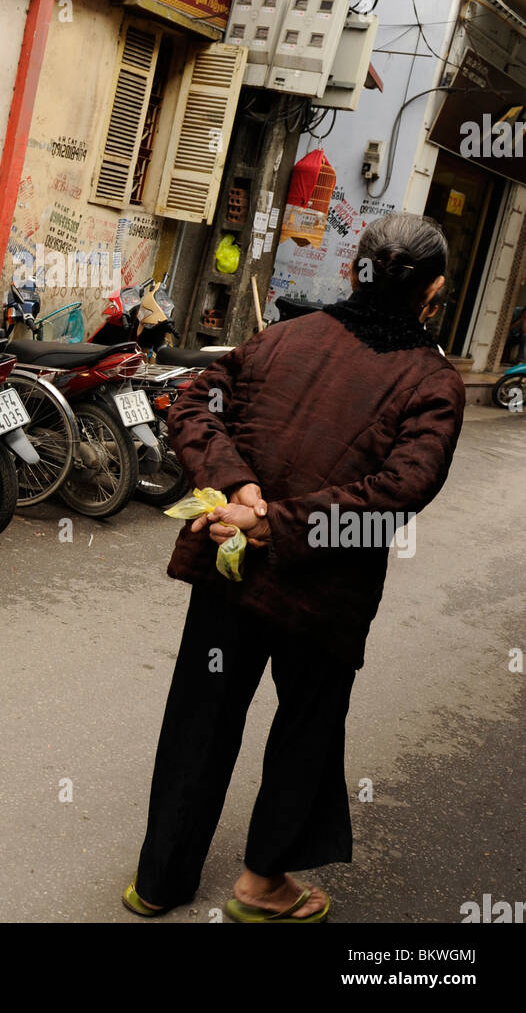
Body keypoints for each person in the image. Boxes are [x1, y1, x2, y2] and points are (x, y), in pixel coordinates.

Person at [123, 213, 465, 921]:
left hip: (233, 567)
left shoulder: (282, 336)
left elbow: (192, 403)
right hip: (323, 594)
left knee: (201, 717)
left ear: (352, 271)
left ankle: (158, 883)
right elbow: (397, 494)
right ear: (431, 295)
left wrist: (244, 497)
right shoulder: (432, 383)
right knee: (307, 725)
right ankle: (261, 887)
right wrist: (264, 512)